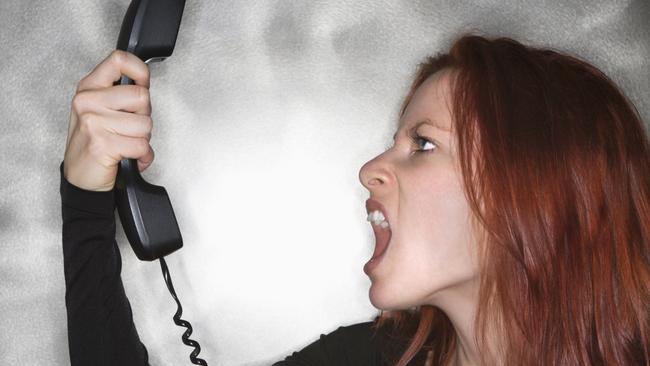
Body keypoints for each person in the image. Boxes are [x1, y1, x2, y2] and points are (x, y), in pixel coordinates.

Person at [60, 33, 650, 366]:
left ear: (539, 185)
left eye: (422, 144)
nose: (369, 170)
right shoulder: (363, 358)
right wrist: (87, 197)